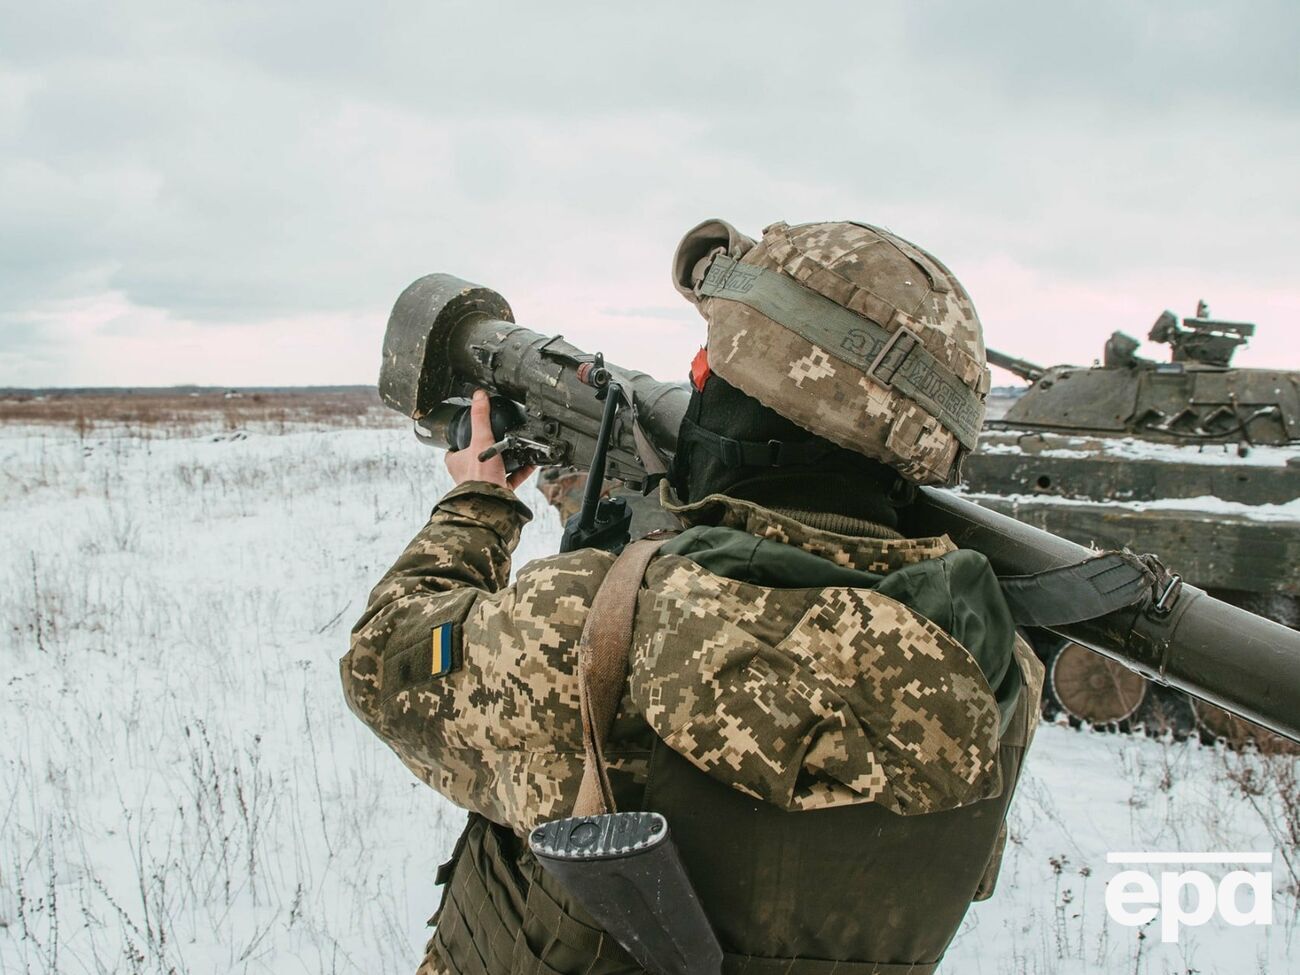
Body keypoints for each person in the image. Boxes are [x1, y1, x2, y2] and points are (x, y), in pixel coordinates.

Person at [342, 219, 1044, 975]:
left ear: (752, 397)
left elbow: (383, 661)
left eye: (708, 365)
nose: (694, 380)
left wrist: (478, 507)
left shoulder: (586, 628)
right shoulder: (999, 673)